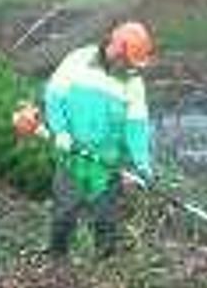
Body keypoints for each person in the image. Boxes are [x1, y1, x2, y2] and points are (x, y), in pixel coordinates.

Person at [42, 21, 155, 260]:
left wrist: (142, 163)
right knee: (64, 213)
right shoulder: (78, 60)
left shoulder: (133, 82)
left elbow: (137, 125)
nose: (132, 69)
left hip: (107, 163)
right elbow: (53, 96)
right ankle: (56, 262)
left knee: (106, 220)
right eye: (129, 61)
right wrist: (60, 131)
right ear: (117, 50)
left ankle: (105, 269)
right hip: (72, 156)